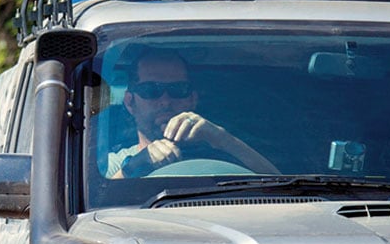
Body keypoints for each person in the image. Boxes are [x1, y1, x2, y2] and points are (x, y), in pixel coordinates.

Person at [105, 49, 277, 178]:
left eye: (178, 89)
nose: (165, 101)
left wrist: (222, 139)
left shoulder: (223, 156)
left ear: (193, 99)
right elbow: (96, 204)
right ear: (129, 102)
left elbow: (278, 187)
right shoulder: (110, 164)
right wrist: (135, 165)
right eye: (151, 90)